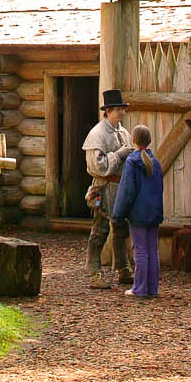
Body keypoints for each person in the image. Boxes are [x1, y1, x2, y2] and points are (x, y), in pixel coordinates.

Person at [83, 89, 133, 289]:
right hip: (103, 188)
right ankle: (95, 273)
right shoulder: (97, 134)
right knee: (100, 230)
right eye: (118, 109)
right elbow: (98, 167)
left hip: (120, 188)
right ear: (108, 111)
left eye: (122, 109)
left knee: (121, 229)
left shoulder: (123, 132)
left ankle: (123, 269)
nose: (121, 113)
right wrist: (119, 154)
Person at [111, 124, 165, 298]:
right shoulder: (155, 162)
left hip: (139, 213)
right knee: (152, 250)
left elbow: (127, 191)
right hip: (154, 212)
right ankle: (152, 288)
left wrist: (118, 214)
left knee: (140, 250)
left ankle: (140, 288)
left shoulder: (132, 162)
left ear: (133, 140)